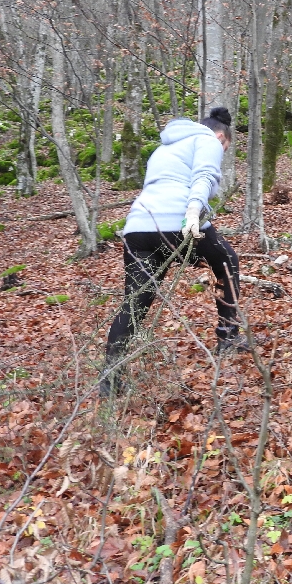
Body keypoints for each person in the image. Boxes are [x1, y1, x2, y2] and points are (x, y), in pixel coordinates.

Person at [102, 107, 243, 396]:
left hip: (138, 228)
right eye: (225, 149)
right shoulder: (208, 140)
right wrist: (193, 211)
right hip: (178, 221)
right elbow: (204, 175)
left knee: (135, 303)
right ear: (221, 137)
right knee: (227, 261)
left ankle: (111, 378)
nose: (221, 152)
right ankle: (228, 337)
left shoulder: (162, 149)